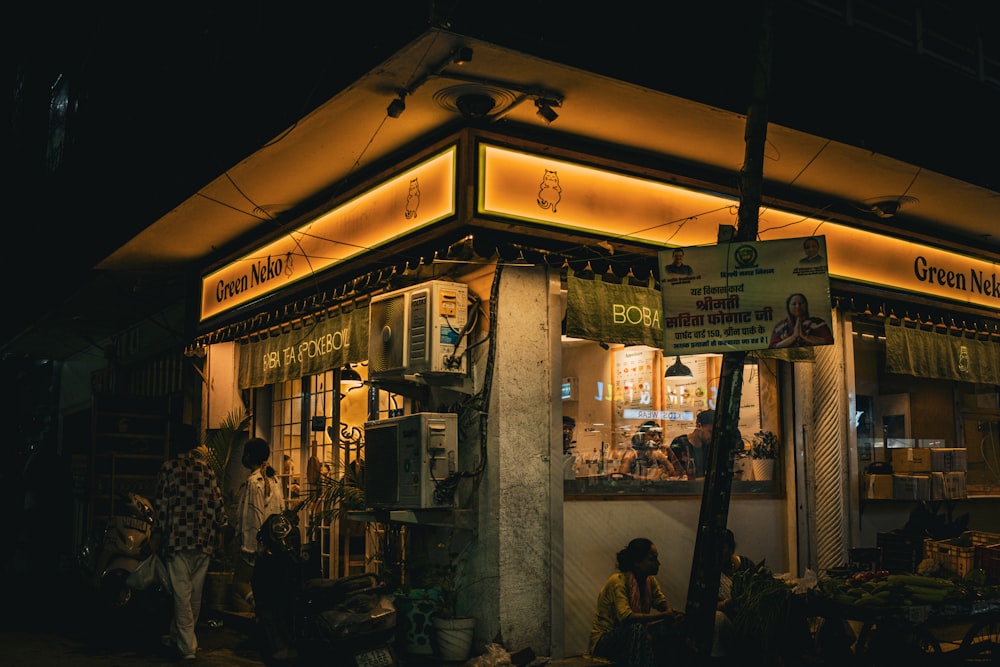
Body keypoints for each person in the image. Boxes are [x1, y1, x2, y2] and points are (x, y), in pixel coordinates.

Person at [153, 438, 228, 661]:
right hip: (204, 538)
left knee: (181, 594)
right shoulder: (207, 469)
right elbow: (217, 503)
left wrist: (158, 533)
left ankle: (187, 646)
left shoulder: (169, 468)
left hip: (178, 538)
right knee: (195, 594)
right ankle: (178, 635)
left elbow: (162, 505)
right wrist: (221, 530)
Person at [588, 537, 683, 667]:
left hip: (632, 635)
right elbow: (627, 617)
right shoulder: (618, 581)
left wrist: (672, 615)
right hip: (604, 641)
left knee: (674, 625)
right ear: (637, 563)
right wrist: (664, 615)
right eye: (652, 559)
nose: (658, 563)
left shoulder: (650, 581)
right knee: (637, 628)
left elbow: (661, 603)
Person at [234, 437, 286, 611]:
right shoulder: (275, 479)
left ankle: (261, 610)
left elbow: (252, 516)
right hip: (274, 544)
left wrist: (249, 548)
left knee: (240, 582)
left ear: (249, 456)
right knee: (265, 586)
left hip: (257, 546)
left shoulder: (254, 482)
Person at [714, 529, 756, 658]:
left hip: (750, 619)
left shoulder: (746, 564)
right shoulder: (711, 574)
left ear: (731, 548)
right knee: (718, 618)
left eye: (722, 548)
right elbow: (706, 605)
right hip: (730, 623)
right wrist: (728, 603)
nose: (718, 552)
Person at [768, 293, 834, 348]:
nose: (798, 306)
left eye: (801, 303)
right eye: (794, 304)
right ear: (788, 307)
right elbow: (772, 347)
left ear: (806, 305)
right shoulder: (780, 327)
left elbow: (829, 341)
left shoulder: (818, 323)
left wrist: (805, 336)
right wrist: (793, 337)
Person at [669, 409, 715, 478]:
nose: (713, 436)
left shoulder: (710, 447)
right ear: (699, 426)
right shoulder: (679, 444)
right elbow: (674, 474)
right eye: (710, 432)